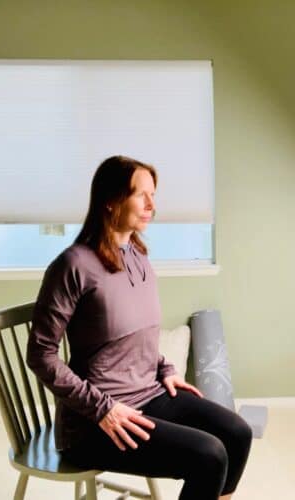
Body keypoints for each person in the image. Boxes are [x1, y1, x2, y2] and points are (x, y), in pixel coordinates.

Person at [26, 155, 252, 500]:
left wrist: (165, 368)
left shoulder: (137, 255)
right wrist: (103, 409)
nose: (152, 205)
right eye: (141, 195)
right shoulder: (73, 265)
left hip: (148, 393)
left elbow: (136, 334)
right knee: (209, 455)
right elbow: (40, 355)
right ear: (112, 201)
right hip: (96, 420)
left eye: (154, 195)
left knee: (237, 432)